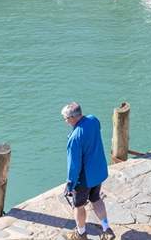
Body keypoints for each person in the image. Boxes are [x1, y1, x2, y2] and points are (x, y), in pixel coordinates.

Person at [61, 102, 114, 240]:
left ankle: (81, 233)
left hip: (84, 179)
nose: (65, 122)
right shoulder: (93, 120)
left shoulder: (74, 138)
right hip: (98, 172)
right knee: (96, 199)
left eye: (66, 118)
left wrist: (70, 184)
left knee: (78, 206)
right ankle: (106, 228)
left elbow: (74, 165)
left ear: (73, 117)